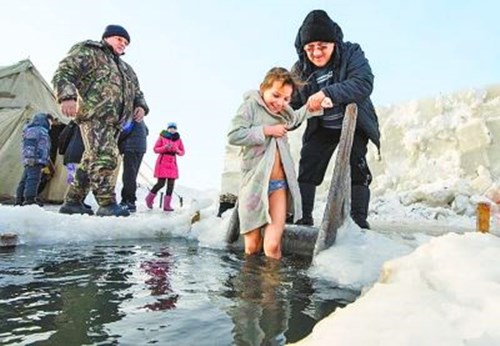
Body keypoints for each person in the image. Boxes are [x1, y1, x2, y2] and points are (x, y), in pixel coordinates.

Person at [290, 10, 380, 229]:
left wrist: (326, 94)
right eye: (310, 48)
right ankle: (303, 218)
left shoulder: (351, 53)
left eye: (322, 46)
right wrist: (277, 116)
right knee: (308, 165)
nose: (317, 52)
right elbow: (293, 105)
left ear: (333, 43)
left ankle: (358, 221)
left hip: (354, 122)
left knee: (357, 167)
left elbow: (363, 83)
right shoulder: (300, 69)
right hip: (322, 126)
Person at [227, 67, 326, 260]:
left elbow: (295, 117)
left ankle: (271, 290)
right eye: (276, 95)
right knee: (252, 246)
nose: (280, 103)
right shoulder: (250, 107)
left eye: (287, 99)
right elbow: (234, 135)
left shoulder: (284, 111)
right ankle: (251, 289)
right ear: (263, 88)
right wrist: (267, 130)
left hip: (279, 187)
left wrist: (312, 106)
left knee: (272, 247)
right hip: (254, 186)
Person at [52, 24, 149, 217]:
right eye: (120, 39)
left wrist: (140, 105)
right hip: (94, 115)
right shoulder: (90, 52)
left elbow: (137, 92)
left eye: (126, 42)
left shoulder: (126, 69)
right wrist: (67, 97)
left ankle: (73, 202)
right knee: (106, 158)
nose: (123, 44)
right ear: (107, 37)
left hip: (116, 123)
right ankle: (107, 204)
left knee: (90, 161)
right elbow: (65, 72)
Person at [15, 112, 53, 206]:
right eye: (49, 120)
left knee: (25, 178)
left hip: (37, 158)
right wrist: (31, 157)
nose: (51, 123)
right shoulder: (36, 130)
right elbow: (30, 144)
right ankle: (30, 200)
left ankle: (19, 200)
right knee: (33, 179)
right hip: (35, 159)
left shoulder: (40, 130)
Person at [145, 122, 185, 212]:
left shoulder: (179, 139)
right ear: (167, 129)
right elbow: (155, 149)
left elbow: (182, 152)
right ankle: (149, 198)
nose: (172, 129)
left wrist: (177, 150)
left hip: (172, 163)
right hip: (162, 162)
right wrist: (165, 147)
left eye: (174, 128)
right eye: (170, 128)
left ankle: (167, 205)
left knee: (171, 184)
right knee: (161, 183)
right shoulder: (162, 137)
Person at [118, 119, 148, 212]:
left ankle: (129, 201)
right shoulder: (141, 120)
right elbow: (147, 131)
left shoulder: (130, 117)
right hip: (141, 148)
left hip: (131, 148)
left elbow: (124, 131)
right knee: (132, 174)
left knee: (128, 175)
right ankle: (126, 200)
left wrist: (117, 141)